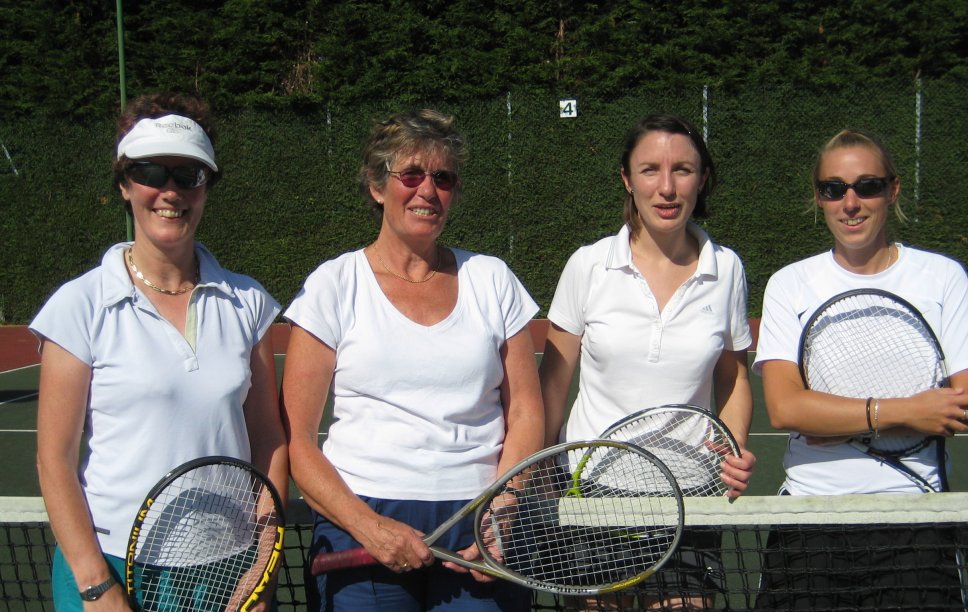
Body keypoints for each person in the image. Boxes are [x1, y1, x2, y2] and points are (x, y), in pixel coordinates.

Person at [31, 92, 288, 611]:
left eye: (189, 176)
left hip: (229, 565)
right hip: (110, 566)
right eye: (151, 172)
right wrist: (95, 586)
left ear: (207, 188)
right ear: (125, 184)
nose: (170, 191)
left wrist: (263, 569)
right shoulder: (79, 305)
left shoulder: (249, 302)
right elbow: (54, 459)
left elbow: (268, 442)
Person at [281, 109, 544, 611]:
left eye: (443, 179)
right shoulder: (333, 285)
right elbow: (299, 444)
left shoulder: (492, 278)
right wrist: (369, 528)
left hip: (480, 517)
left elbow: (527, 413)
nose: (428, 191)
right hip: (362, 515)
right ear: (378, 186)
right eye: (411, 175)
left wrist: (501, 511)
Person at [752, 128, 968, 609]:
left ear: (893, 190)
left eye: (868, 185)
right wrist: (904, 411)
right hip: (809, 522)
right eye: (833, 189)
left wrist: (832, 420)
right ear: (819, 197)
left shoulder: (942, 277)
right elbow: (785, 409)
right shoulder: (789, 284)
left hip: (916, 522)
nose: (851, 202)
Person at [538, 113, 757, 610]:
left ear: (701, 180)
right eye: (649, 170)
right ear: (627, 179)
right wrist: (543, 470)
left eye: (682, 170)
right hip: (592, 491)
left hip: (691, 495)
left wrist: (734, 446)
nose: (666, 187)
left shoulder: (728, 269)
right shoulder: (588, 266)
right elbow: (553, 382)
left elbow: (734, 376)